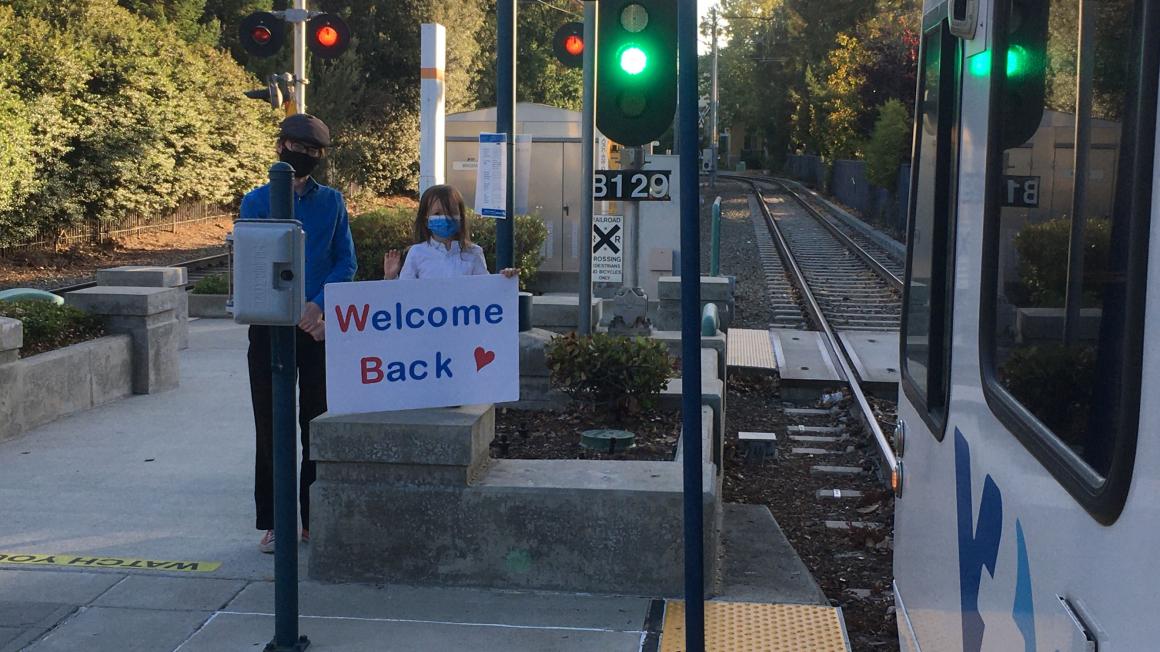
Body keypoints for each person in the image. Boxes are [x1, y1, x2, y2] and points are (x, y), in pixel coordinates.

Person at [239, 113, 356, 554]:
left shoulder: (332, 203)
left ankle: (311, 517)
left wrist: (317, 305)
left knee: (315, 420)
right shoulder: (255, 202)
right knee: (269, 423)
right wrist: (282, 307)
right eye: (295, 146)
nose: (301, 156)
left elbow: (346, 261)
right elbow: (252, 265)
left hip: (316, 329)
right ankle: (274, 520)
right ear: (279, 147)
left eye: (311, 152)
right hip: (268, 329)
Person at [383, 184, 518, 281]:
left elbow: (485, 291)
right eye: (437, 213)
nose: (446, 217)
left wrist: (504, 280)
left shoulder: (474, 252)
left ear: (461, 217)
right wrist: (391, 277)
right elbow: (403, 295)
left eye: (451, 212)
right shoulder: (417, 253)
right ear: (426, 219)